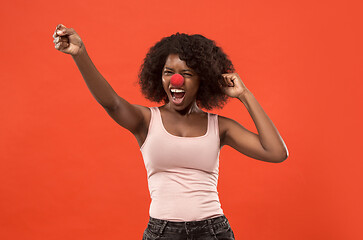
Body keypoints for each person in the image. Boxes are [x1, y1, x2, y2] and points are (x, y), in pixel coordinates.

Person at [53, 24, 288, 240]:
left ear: (201, 80)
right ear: (160, 76)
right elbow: (112, 103)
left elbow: (276, 152)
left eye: (186, 74)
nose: (176, 80)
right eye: (169, 72)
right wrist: (80, 53)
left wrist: (245, 95)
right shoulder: (145, 121)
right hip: (162, 232)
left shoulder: (221, 126)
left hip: (213, 231)